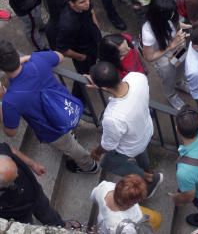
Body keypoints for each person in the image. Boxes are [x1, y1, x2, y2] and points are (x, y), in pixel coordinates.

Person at [0, 42, 98, 174]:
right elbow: (60, 56)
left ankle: (89, 166)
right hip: (65, 106)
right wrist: (26, 58)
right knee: (69, 137)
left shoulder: (10, 100)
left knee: (71, 147)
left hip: (51, 129)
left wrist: (2, 103)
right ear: (17, 54)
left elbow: (11, 132)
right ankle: (72, 133)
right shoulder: (37, 60)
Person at [89, 62, 162, 195]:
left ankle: (147, 178)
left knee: (108, 164)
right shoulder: (136, 77)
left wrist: (97, 152)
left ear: (104, 87)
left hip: (131, 145)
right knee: (141, 151)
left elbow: (109, 145)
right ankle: (147, 168)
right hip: (145, 130)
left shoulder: (112, 117)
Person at [141, 0, 188, 110]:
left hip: (177, 46)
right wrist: (171, 46)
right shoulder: (148, 32)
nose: (173, 15)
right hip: (163, 57)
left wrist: (185, 26)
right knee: (169, 76)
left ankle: (179, 82)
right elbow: (149, 57)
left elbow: (174, 22)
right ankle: (171, 95)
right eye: (170, 14)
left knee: (180, 66)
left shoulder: (169, 15)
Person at [0, 142, 65, 226]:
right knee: (26, 225)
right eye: (9, 182)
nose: (18, 175)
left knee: (46, 210)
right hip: (16, 213)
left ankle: (59, 225)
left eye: (17, 170)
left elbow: (11, 150)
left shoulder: (2, 151)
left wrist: (33, 164)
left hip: (34, 192)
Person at [55, 0, 102, 78]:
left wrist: (96, 26)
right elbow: (63, 49)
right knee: (84, 74)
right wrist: (81, 57)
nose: (87, 3)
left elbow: (91, 11)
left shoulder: (86, 3)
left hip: (94, 42)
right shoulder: (67, 24)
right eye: (82, 2)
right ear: (72, 3)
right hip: (83, 52)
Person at [92, 173, 162, 234]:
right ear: (132, 203)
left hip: (101, 225)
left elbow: (93, 197)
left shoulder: (105, 186)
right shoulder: (128, 227)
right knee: (156, 219)